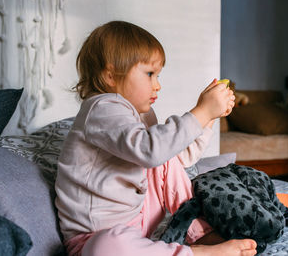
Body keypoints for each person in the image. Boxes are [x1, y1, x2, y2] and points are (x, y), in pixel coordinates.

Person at [55, 20, 257, 256]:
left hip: (139, 226)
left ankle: (198, 231)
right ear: (110, 75)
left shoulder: (141, 116)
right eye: (150, 74)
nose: (157, 85)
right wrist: (201, 112)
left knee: (164, 152)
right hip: (94, 238)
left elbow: (176, 157)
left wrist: (209, 118)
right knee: (107, 247)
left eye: (158, 75)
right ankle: (198, 253)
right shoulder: (101, 108)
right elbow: (151, 150)